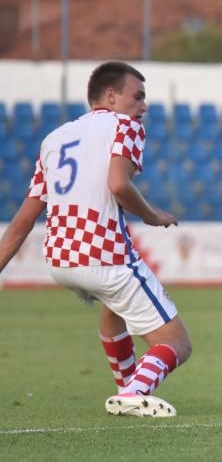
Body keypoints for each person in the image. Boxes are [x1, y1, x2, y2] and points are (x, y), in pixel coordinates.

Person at [0, 61, 191, 417]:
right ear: (111, 96)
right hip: (104, 254)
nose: (144, 106)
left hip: (59, 260)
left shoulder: (54, 139)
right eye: (138, 96)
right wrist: (153, 215)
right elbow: (118, 184)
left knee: (113, 306)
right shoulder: (125, 125)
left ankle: (126, 387)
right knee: (176, 342)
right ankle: (135, 392)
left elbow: (23, 221)